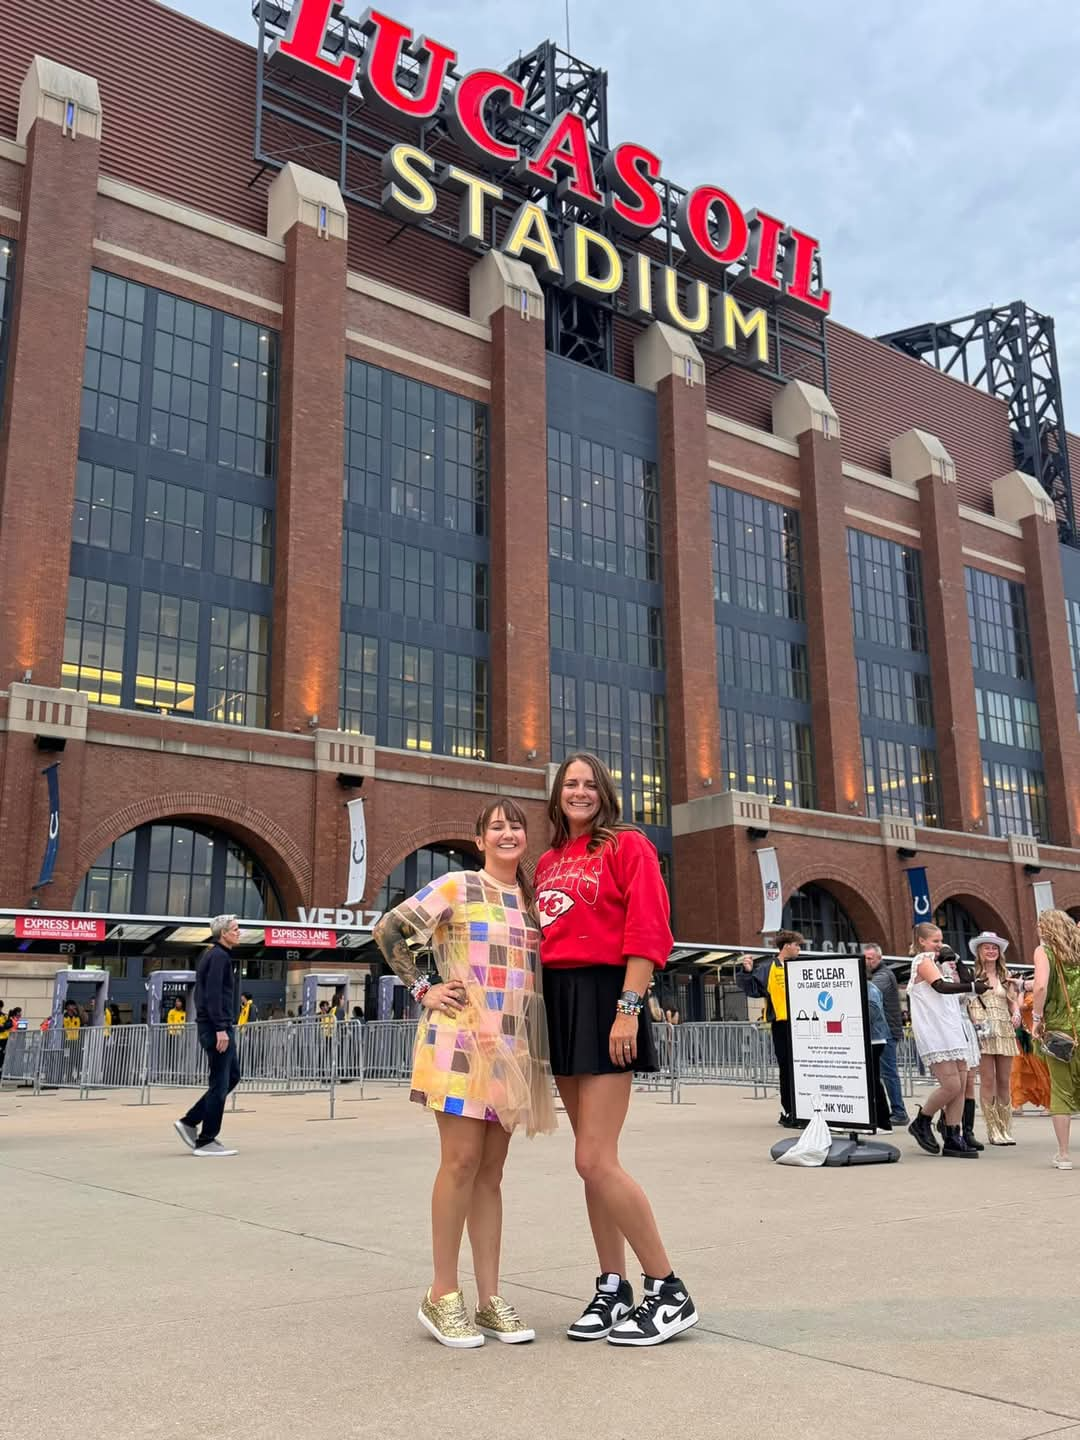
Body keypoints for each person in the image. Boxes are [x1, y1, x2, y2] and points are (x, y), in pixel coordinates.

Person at [374, 798, 555, 1348]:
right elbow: (389, 930)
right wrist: (424, 988)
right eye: (495, 826)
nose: (507, 833)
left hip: (512, 1049)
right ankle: (442, 1294)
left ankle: (489, 1298)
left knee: (491, 1173)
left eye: (515, 825)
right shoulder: (458, 886)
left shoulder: (530, 900)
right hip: (458, 1042)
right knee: (460, 1161)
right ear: (480, 840)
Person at [535, 753, 697, 1348]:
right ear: (557, 796)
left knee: (595, 1158)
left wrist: (628, 1009)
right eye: (569, 784)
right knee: (588, 1158)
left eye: (588, 784)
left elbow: (649, 929)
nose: (579, 792)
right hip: (562, 1001)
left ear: (604, 793)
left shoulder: (627, 847)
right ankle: (612, 1288)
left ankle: (668, 1288)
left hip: (610, 996)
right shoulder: (548, 862)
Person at [906, 922, 988, 1158]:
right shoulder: (922, 961)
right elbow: (941, 987)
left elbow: (964, 981)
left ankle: (953, 1135)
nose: (940, 945)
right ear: (922, 941)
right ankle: (922, 1121)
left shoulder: (943, 964)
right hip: (935, 1030)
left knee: (961, 1086)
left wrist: (958, 960)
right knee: (951, 1085)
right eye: (935, 941)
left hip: (952, 1029)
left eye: (941, 940)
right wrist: (972, 985)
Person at [174, 915, 242, 1157]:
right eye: (235, 929)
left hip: (216, 1026)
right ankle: (206, 1139)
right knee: (220, 1081)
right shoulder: (218, 957)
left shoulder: (217, 956)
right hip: (216, 1028)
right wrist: (221, 1028)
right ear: (223, 933)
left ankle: (191, 1121)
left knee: (232, 1076)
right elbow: (212, 995)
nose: (239, 932)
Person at [738, 933, 804, 1128]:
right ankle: (790, 1110)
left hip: (803, 1024)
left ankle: (806, 1109)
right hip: (782, 1024)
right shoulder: (768, 968)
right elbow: (752, 989)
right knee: (787, 1068)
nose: (799, 949)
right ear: (786, 947)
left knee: (803, 1068)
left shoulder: (802, 967)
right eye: (796, 945)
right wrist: (747, 971)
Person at [1030, 909, 1080, 1171]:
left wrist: (1036, 1019)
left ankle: (1063, 1154)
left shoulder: (1044, 951)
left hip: (1062, 1033)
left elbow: (1041, 986)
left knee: (1061, 1091)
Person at [967, 932, 1019, 1146]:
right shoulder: (972, 975)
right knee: (987, 1080)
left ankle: (1005, 1127)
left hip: (1004, 1028)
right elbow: (967, 1002)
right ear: (979, 951)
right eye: (987, 947)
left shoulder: (1006, 975)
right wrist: (974, 1022)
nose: (991, 951)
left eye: (994, 948)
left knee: (1004, 1081)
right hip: (984, 1030)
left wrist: (1016, 1012)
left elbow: (1013, 1000)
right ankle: (992, 1129)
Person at [864, 944, 908, 1124]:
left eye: (870, 958)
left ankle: (899, 1112)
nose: (867, 962)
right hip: (882, 1031)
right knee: (882, 1073)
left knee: (888, 1073)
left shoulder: (883, 976)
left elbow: (868, 992)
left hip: (887, 1031)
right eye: (865, 958)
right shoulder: (877, 974)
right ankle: (891, 1110)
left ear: (879, 959)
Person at [1011, 982, 1051, 1114]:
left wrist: (1020, 991)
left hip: (1034, 1038)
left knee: (1040, 1071)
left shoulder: (1036, 996)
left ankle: (1048, 1104)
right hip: (1020, 1038)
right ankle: (1018, 1104)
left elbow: (1022, 1006)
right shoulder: (1017, 995)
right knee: (1018, 1071)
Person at [866, 980, 892, 1129]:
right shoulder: (869, 987)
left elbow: (872, 1012)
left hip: (874, 1039)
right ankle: (879, 1119)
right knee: (872, 1080)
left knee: (873, 1081)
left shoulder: (870, 989)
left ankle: (883, 1121)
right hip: (872, 1039)